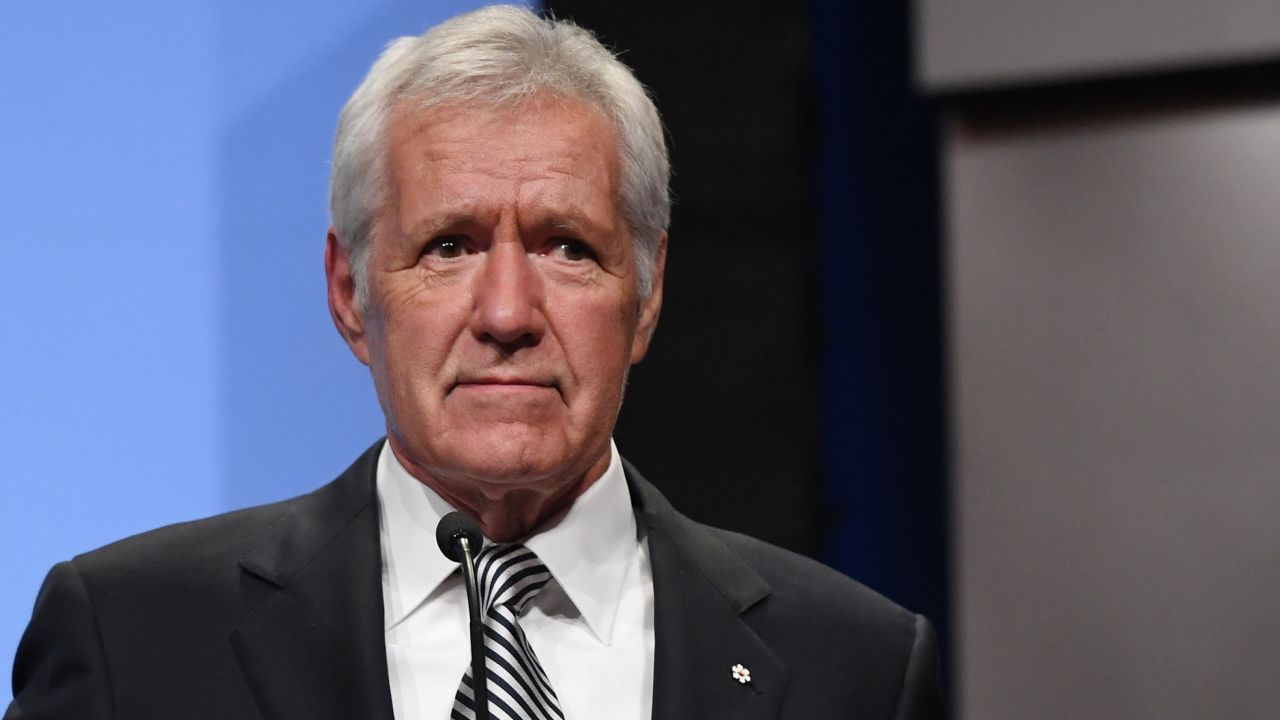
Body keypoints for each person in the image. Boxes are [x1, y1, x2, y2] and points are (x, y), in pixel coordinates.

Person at [6, 6, 946, 720]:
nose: (507, 314)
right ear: (348, 291)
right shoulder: (132, 644)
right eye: (449, 246)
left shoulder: (854, 666)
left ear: (648, 292)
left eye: (567, 247)